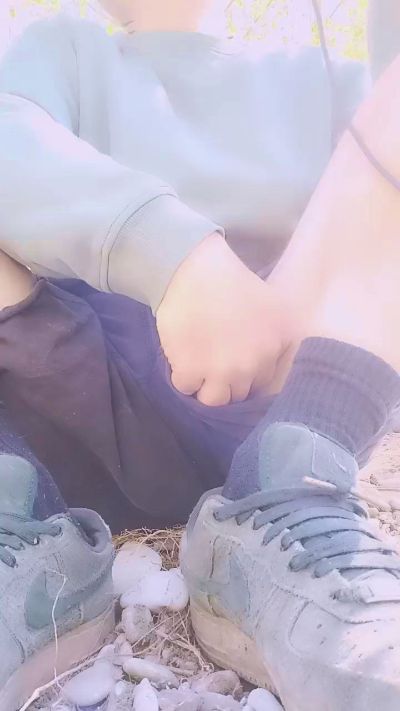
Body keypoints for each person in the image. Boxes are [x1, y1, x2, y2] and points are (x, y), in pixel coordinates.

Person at [0, 0, 399, 708]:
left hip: (283, 393)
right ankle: (15, 518)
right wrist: (171, 254)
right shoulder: (63, 49)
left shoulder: (331, 77)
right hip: (62, 381)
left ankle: (287, 504)